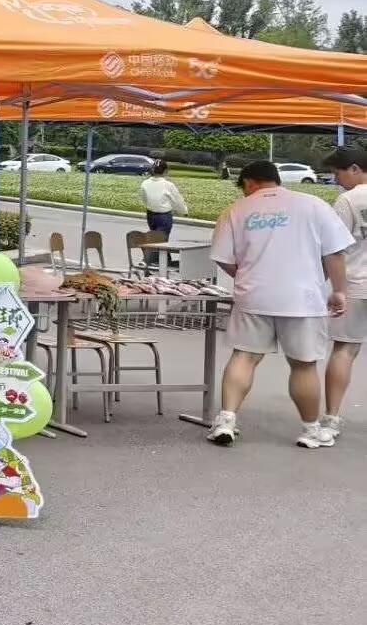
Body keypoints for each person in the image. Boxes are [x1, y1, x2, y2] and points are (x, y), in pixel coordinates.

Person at [205, 160, 352, 449]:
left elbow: (223, 258)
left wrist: (245, 275)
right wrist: (339, 291)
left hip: (254, 296)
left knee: (244, 357)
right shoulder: (314, 206)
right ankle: (310, 430)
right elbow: (335, 253)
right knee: (303, 365)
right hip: (302, 298)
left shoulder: (235, 210)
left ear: (249, 182)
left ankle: (226, 420)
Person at [319, 148, 367, 442]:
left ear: (355, 168)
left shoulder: (349, 200)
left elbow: (333, 249)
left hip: (356, 284)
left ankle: (331, 418)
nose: (336, 179)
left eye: (337, 172)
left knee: (344, 350)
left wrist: (322, 283)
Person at [139, 160, 188, 239]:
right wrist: (184, 211)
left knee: (154, 239)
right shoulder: (168, 185)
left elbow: (143, 198)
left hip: (150, 215)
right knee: (162, 241)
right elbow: (177, 201)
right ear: (165, 171)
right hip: (164, 217)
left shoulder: (145, 183)